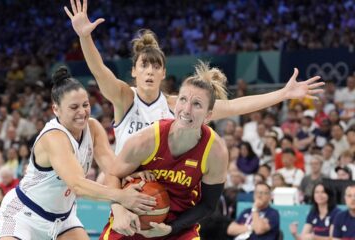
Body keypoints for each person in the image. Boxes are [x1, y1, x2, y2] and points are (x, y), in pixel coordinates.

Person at [65, 0, 324, 155]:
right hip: (127, 191)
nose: (150, 71)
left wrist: (283, 94)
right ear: (134, 71)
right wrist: (85, 37)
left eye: (156, 67)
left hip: (165, 192)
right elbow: (99, 69)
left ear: (164, 73)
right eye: (144, 65)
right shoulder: (123, 98)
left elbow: (233, 106)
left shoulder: (178, 105)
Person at [0, 67, 156, 240]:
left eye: (85, 105)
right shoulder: (54, 137)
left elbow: (113, 169)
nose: (82, 112)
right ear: (56, 109)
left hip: (63, 220)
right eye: (74, 107)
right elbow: (78, 185)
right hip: (23, 216)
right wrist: (121, 197)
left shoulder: (93, 128)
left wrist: (131, 175)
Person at [99, 61, 229, 239]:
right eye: (183, 99)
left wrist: (171, 228)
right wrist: (118, 209)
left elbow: (208, 205)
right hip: (133, 219)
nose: (187, 109)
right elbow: (112, 174)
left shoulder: (216, 151)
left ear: (208, 115)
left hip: (179, 226)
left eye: (197, 104)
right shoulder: (147, 139)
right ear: (175, 104)